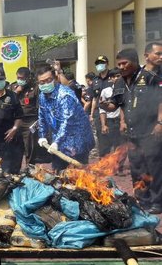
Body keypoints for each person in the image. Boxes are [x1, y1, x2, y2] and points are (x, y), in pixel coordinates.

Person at [106, 48, 162, 214]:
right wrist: (105, 106)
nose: (121, 67)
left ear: (135, 62)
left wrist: (160, 122)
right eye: (119, 64)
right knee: (137, 168)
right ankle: (143, 201)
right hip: (132, 134)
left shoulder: (150, 78)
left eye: (125, 63)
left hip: (150, 132)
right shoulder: (119, 83)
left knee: (154, 168)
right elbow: (116, 105)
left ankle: (158, 202)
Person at [35, 65, 94, 171]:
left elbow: (67, 122)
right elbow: (42, 116)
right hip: (58, 142)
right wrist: (42, 135)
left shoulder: (65, 95)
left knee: (78, 176)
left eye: (48, 80)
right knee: (58, 175)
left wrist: (57, 141)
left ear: (55, 79)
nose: (45, 84)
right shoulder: (42, 96)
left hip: (77, 141)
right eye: (41, 82)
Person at [11, 67, 41, 163]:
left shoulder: (35, 88)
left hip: (30, 120)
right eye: (18, 78)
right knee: (15, 145)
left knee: (30, 144)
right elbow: (8, 102)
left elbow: (39, 105)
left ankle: (30, 165)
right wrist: (16, 92)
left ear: (28, 78)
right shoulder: (13, 87)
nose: (20, 80)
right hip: (15, 120)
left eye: (22, 78)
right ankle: (15, 167)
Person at [97, 69, 126, 161]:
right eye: (115, 76)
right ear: (111, 78)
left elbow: (123, 107)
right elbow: (102, 109)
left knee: (120, 147)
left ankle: (119, 167)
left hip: (120, 122)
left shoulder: (126, 89)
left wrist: (123, 122)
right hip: (109, 121)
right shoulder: (106, 91)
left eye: (119, 76)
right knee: (105, 147)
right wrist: (103, 125)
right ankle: (103, 167)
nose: (117, 78)